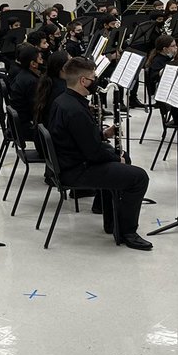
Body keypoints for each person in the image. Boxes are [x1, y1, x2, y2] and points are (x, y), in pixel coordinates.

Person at [47, 57, 151, 249]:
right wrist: (114, 157)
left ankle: (108, 216)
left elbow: (80, 139)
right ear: (83, 81)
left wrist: (103, 134)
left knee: (124, 158)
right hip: (76, 170)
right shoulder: (76, 110)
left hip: (69, 162)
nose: (96, 81)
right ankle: (127, 231)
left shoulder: (63, 100)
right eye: (94, 77)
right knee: (139, 178)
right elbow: (93, 154)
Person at [7, 43, 43, 143]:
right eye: (40, 59)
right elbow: (35, 110)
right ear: (33, 64)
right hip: (23, 128)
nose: (42, 61)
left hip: (17, 124)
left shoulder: (23, 75)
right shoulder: (31, 81)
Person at [33, 50, 69, 141]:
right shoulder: (62, 91)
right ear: (64, 68)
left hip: (45, 137)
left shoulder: (48, 81)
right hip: (54, 142)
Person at [144, 34, 176, 99]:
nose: (176, 47)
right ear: (165, 49)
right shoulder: (157, 61)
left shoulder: (168, 57)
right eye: (173, 46)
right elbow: (155, 78)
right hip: (159, 92)